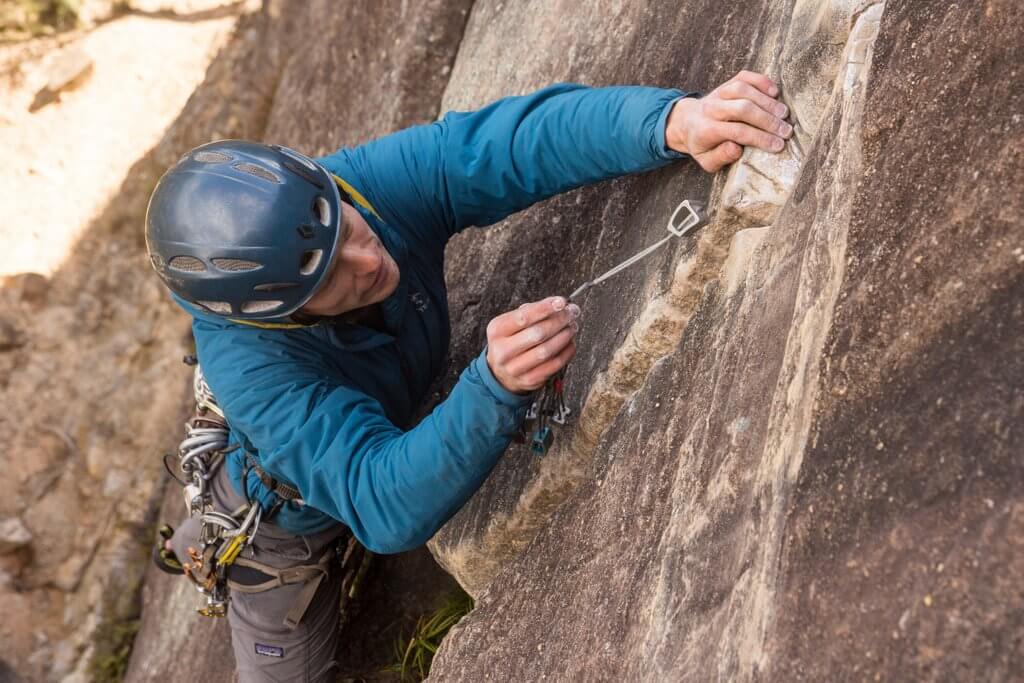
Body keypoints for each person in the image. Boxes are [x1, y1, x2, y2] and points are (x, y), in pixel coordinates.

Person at [145, 70, 792, 681]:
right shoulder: (256, 366)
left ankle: (204, 521)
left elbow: (504, 145)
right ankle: (214, 531)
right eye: (329, 276)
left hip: (334, 423)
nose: (367, 259)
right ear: (280, 312)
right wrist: (493, 390)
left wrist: (673, 121)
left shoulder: (350, 189)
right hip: (285, 518)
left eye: (347, 224)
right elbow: (379, 498)